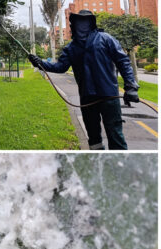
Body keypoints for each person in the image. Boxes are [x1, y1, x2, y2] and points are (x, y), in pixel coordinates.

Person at [28, 9, 139, 150]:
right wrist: (40, 63)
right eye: (78, 22)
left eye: (85, 21)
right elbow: (61, 67)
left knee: (115, 135)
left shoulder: (105, 39)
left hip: (109, 96)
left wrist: (131, 86)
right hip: (87, 98)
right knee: (93, 138)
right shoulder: (71, 48)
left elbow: (123, 61)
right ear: (73, 25)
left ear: (91, 23)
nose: (82, 25)